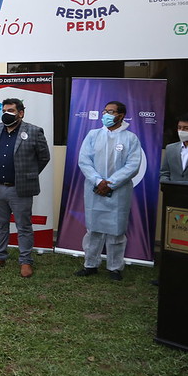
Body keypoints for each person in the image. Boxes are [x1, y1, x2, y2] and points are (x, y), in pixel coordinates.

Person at [0, 98, 50, 278]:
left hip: (20, 189)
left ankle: (26, 261)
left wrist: (28, 174)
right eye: (4, 110)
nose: (6, 113)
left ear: (21, 113)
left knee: (24, 226)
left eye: (11, 110)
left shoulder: (34, 131)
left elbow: (44, 157)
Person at [75, 100, 141, 281]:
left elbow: (133, 165)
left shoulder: (130, 138)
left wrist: (110, 183)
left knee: (116, 230)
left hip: (118, 191)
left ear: (120, 116)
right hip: (94, 189)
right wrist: (98, 181)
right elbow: (84, 161)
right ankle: (90, 264)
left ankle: (115, 267)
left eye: (111, 112)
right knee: (93, 229)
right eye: (105, 111)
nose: (106, 115)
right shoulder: (93, 134)